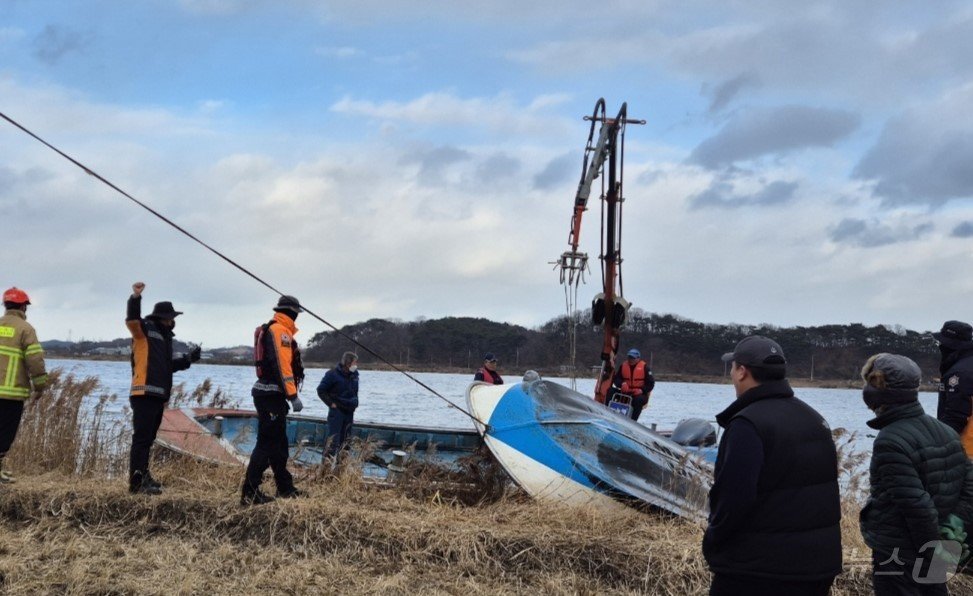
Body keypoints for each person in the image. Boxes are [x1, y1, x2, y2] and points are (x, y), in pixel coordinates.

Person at [703, 335, 841, 596]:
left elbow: (734, 498)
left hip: (757, 570)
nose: (731, 374)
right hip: (817, 566)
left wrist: (713, 540)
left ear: (742, 371)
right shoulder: (814, 418)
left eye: (732, 367)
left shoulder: (747, 424)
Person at [859, 353, 973, 595]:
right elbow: (969, 486)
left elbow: (916, 506)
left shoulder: (890, 440)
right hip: (945, 541)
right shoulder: (945, 431)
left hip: (899, 550)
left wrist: (932, 551)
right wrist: (951, 532)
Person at [125, 282, 200, 494]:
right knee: (141, 439)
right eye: (171, 317)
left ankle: (143, 475)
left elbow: (167, 367)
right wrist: (136, 297)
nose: (173, 321)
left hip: (157, 396)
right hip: (143, 393)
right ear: (163, 318)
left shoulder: (165, 339)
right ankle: (137, 483)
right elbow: (132, 319)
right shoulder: (144, 330)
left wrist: (189, 359)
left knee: (148, 439)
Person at [242, 295, 306, 505]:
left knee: (279, 444)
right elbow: (282, 366)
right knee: (267, 444)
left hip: (271, 395)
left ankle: (285, 487)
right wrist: (293, 395)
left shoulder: (279, 328)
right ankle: (250, 492)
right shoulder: (280, 331)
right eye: (297, 314)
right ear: (293, 313)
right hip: (271, 395)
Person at [0, 287, 48, 484]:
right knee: (4, 434)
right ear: (23, 306)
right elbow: (35, 361)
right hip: (11, 394)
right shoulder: (25, 329)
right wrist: (40, 387)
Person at [933, 320, 973, 457]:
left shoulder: (960, 373)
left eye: (942, 342)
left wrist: (936, 445)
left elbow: (956, 416)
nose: (940, 345)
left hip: (966, 449)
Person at [317, 351, 359, 459]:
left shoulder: (354, 376)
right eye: (355, 362)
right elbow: (321, 390)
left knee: (346, 443)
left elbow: (354, 392)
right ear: (348, 363)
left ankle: (340, 470)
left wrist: (355, 403)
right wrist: (331, 403)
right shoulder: (332, 374)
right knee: (333, 442)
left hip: (349, 412)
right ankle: (326, 469)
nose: (356, 365)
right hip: (337, 412)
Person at [610, 348, 655, 421]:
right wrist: (622, 383)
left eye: (633, 358)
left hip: (638, 394)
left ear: (638, 358)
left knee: (638, 400)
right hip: (625, 392)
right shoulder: (623, 366)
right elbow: (616, 379)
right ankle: (606, 412)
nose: (630, 359)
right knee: (610, 391)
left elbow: (651, 384)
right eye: (629, 357)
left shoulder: (645, 368)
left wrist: (641, 390)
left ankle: (633, 421)